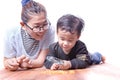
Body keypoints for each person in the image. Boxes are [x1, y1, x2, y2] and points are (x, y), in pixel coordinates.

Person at [3, 0, 55, 71]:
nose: (42, 30)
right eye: (37, 27)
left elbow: (40, 60)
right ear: (23, 25)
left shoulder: (49, 30)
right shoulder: (11, 33)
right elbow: (6, 60)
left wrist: (28, 64)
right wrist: (11, 64)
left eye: (45, 24)